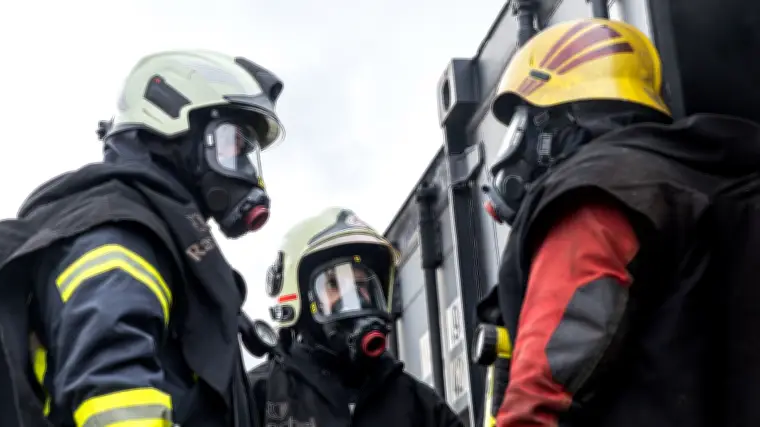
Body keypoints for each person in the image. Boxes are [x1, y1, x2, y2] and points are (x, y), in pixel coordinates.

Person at [0, 50, 285, 427]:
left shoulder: (161, 238)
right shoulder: (120, 235)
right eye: (234, 145)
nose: (245, 170)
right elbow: (114, 394)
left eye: (248, 154)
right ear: (173, 123)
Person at [476, 18, 760, 427]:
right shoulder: (720, 188)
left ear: (551, 125)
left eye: (521, 124)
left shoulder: (596, 199)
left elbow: (544, 386)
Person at [248, 207, 464, 427]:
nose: (354, 298)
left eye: (362, 284)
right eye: (334, 284)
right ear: (299, 299)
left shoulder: (416, 403)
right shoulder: (260, 396)